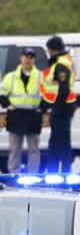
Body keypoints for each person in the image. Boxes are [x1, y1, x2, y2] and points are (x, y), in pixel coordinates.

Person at [0, 48, 43, 175]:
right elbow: (3, 95)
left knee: (34, 149)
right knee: (14, 149)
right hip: (16, 115)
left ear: (34, 59)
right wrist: (8, 105)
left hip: (33, 115)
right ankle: (13, 174)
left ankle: (33, 176)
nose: (28, 59)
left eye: (31, 57)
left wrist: (43, 107)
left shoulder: (41, 77)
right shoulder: (11, 77)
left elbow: (48, 95)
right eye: (26, 56)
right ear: (21, 58)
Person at [43, 37, 76, 173]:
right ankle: (59, 170)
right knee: (60, 142)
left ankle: (57, 172)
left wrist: (56, 109)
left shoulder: (61, 64)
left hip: (62, 109)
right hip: (64, 107)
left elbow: (63, 89)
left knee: (59, 143)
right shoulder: (64, 61)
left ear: (51, 49)